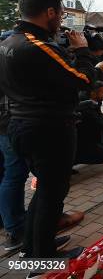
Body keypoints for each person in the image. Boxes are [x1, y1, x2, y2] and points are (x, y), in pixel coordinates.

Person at [0, 0, 98, 264]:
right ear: (50, 12)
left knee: (45, 191)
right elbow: (82, 80)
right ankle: (40, 257)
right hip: (47, 128)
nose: (62, 21)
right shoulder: (37, 46)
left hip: (21, 124)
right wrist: (82, 51)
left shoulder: (9, 42)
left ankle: (35, 244)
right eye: (61, 14)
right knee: (52, 193)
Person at [0, 89, 28, 251]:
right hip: (9, 122)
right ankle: (15, 228)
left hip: (7, 122)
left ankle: (15, 222)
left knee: (13, 174)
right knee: (14, 174)